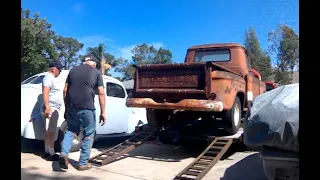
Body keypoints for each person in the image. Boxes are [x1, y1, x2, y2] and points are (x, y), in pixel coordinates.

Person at [59, 56, 106, 171]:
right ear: (94, 64)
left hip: (72, 106)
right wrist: (103, 112)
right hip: (87, 107)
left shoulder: (73, 70)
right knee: (89, 134)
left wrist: (67, 107)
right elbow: (100, 92)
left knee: (71, 130)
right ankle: (82, 163)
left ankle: (64, 154)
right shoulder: (96, 72)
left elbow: (65, 90)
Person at [42, 60, 65, 161]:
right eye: (59, 69)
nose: (60, 71)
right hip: (51, 107)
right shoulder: (49, 77)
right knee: (51, 131)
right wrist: (48, 107)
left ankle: (47, 151)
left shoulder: (49, 78)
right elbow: (45, 92)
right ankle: (52, 153)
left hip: (51, 107)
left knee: (48, 131)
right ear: (53, 68)